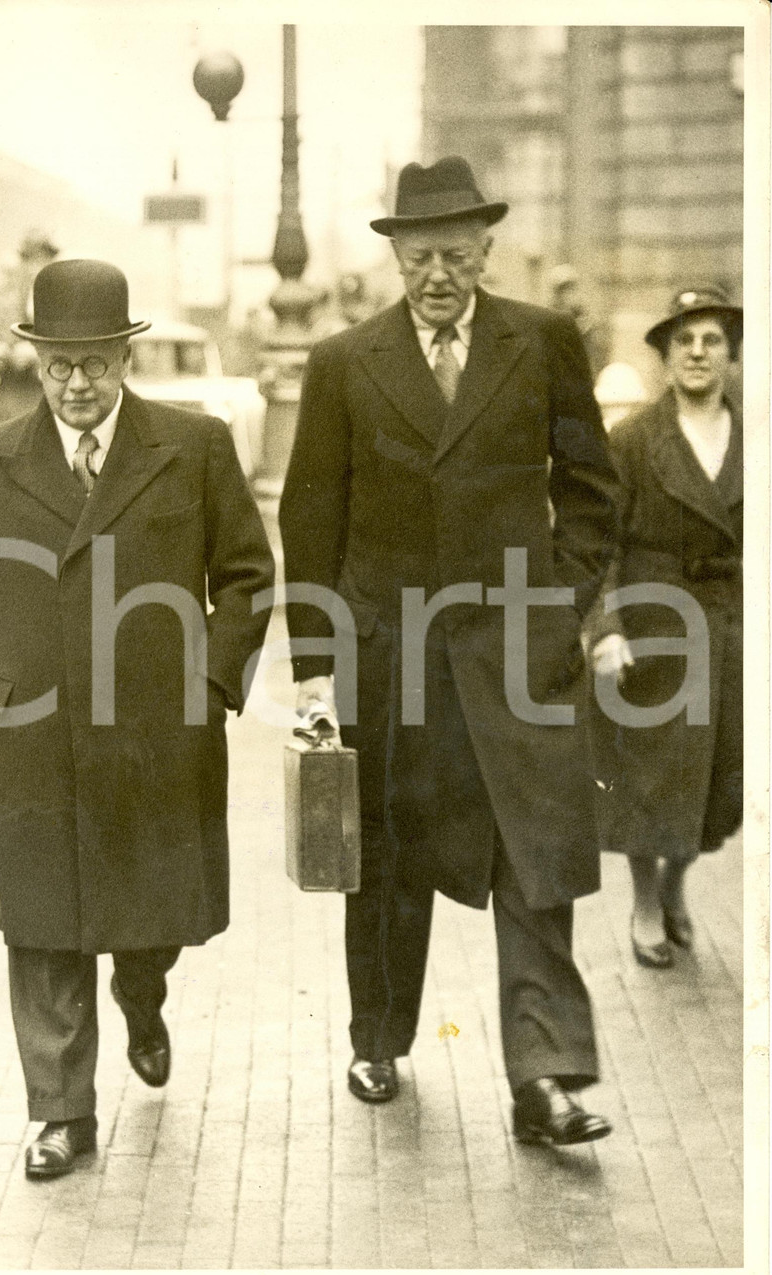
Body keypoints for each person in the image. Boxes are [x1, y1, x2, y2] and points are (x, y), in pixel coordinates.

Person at [0, 259, 275, 1179]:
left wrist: (212, 684)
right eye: (59, 365)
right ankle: (61, 1112)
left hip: (156, 731)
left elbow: (246, 576)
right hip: (34, 732)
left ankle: (142, 994)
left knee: (147, 921)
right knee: (44, 921)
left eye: (95, 363)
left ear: (125, 358)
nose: (76, 384)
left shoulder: (193, 446)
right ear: (37, 363)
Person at [278, 156, 620, 1147]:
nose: (439, 275)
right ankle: (379, 1040)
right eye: (422, 256)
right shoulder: (344, 362)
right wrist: (315, 665)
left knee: (534, 858)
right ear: (395, 257)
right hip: (392, 657)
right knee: (387, 860)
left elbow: (592, 491)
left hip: (517, 651)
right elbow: (311, 517)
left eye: (457, 256)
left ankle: (545, 1079)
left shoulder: (543, 342)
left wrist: (555, 607)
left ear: (485, 252)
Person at [589, 287, 743, 968]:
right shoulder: (632, 441)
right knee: (649, 780)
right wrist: (607, 629)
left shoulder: (756, 437)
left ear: (731, 355)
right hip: (654, 627)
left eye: (712, 340)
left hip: (731, 626)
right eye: (684, 341)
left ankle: (677, 883)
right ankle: (647, 902)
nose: (697, 353)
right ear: (665, 355)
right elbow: (600, 544)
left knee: (722, 782)